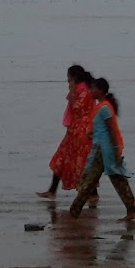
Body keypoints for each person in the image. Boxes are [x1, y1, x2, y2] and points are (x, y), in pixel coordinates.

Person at [68, 77, 135, 220]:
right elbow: (103, 129)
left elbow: (112, 130)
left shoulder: (105, 107)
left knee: (91, 180)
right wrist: (91, 133)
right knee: (110, 179)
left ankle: (74, 212)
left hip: (105, 150)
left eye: (93, 88)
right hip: (101, 148)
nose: (90, 91)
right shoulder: (102, 106)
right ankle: (132, 210)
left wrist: (116, 148)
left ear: (100, 90)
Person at [39, 64, 95, 198]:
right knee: (61, 158)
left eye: (69, 79)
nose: (67, 81)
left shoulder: (84, 91)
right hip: (74, 130)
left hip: (82, 131)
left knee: (82, 162)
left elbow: (77, 108)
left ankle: (93, 193)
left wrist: (73, 92)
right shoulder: (81, 90)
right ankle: (52, 191)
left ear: (74, 77)